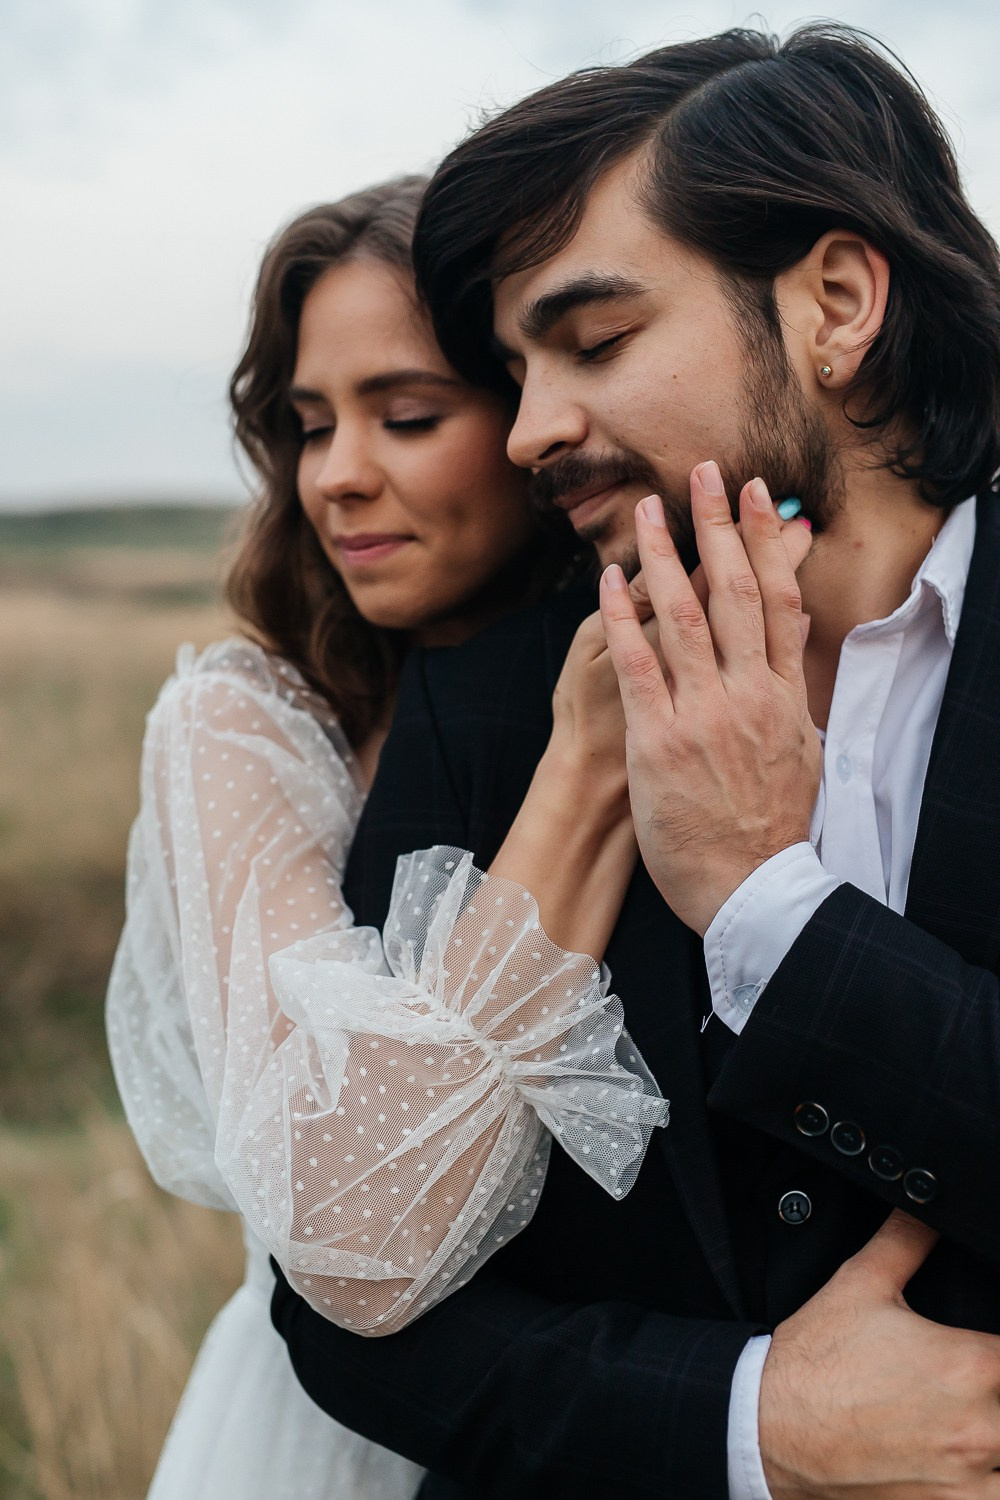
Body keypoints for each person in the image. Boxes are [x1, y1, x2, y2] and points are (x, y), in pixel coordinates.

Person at [270, 24, 1000, 1500]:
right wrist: (744, 1425)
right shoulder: (487, 709)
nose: (533, 430)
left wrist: (761, 903)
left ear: (838, 303)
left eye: (594, 342)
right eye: (513, 368)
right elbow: (342, 1305)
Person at [106, 176, 673, 1500]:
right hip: (327, 1428)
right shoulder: (243, 726)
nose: (340, 475)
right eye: (310, 426)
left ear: (535, 420)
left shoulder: (663, 672)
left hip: (609, 1420)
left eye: (407, 416)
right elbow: (358, 1230)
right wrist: (582, 774)